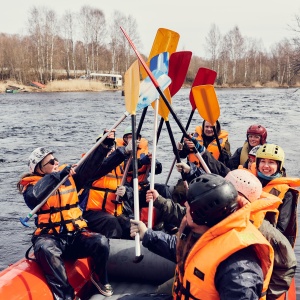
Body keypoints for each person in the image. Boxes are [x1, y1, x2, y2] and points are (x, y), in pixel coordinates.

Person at [121, 174, 274, 300]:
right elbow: (183, 248)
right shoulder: (208, 231)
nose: (185, 208)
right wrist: (147, 234)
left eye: (188, 207)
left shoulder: (239, 269)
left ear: (200, 216)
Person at [17, 134, 117, 299]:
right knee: (44, 248)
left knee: (101, 242)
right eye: (50, 162)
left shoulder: (69, 179)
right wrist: (56, 176)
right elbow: (35, 197)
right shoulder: (31, 188)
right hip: (51, 238)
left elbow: (90, 168)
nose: (56, 162)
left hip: (74, 236)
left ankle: (100, 277)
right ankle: (66, 294)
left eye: (55, 159)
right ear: (39, 169)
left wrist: (104, 146)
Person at [79, 131, 134, 239]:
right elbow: (106, 165)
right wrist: (121, 153)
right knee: (111, 223)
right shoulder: (89, 167)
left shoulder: (121, 167)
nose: (109, 150)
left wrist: (126, 191)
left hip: (113, 210)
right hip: (91, 212)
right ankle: (113, 251)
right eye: (106, 148)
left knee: (131, 226)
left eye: (111, 147)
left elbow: (129, 187)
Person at [253, 143, 300, 247]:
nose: (266, 166)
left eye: (271, 162)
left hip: (269, 239)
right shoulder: (250, 180)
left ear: (279, 165)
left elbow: (281, 228)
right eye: (263, 161)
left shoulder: (287, 193)